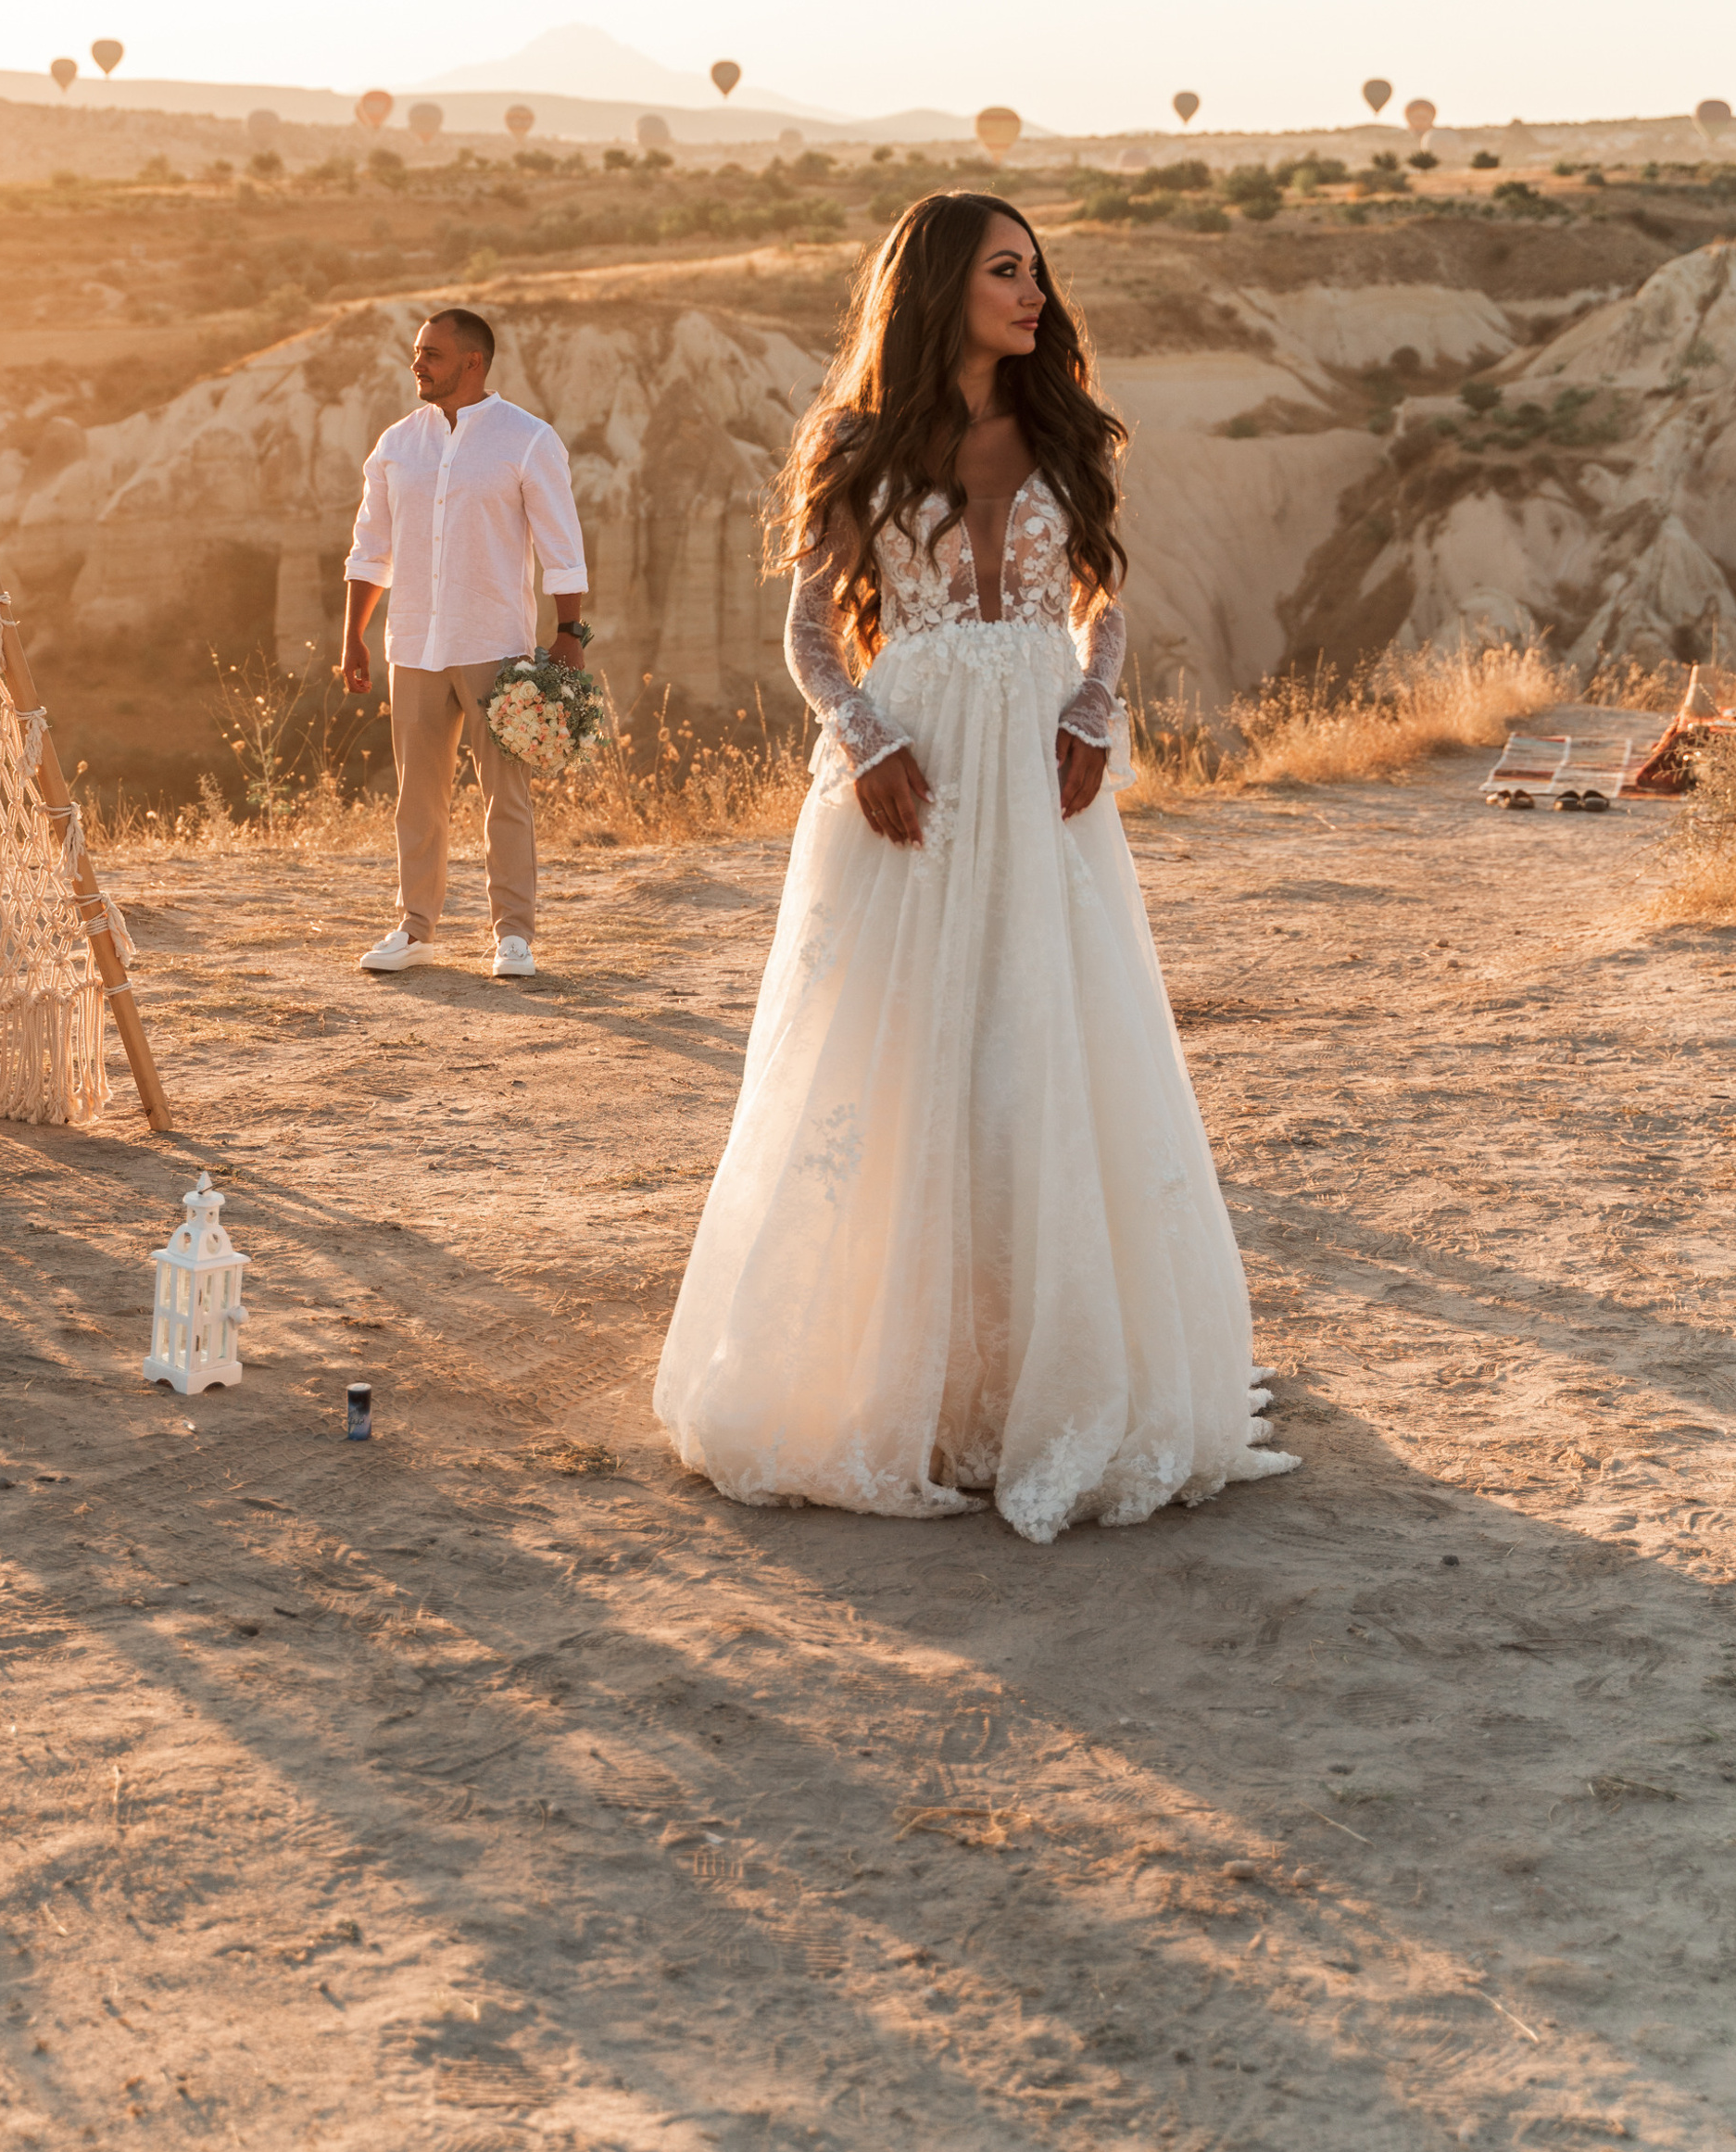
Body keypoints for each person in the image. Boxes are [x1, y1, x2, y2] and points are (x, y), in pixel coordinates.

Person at [654, 191, 1297, 1542]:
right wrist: (866, 735)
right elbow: (812, 635)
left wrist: (1093, 707)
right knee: (904, 1057)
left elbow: (1105, 604)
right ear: (943, 286)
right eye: (1008, 270)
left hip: (1042, 767)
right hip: (919, 767)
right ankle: (917, 1380)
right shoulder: (858, 441)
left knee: (1043, 1045)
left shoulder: (1067, 429)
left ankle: (1041, 1380)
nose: (1036, 293)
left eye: (1040, 271)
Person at [341, 308, 590, 982]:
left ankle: (514, 936)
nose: (417, 363)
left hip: (494, 643)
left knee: (503, 796)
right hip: (413, 643)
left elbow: (562, 547)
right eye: (417, 351)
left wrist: (570, 634)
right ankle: (414, 928)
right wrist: (355, 638)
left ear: (472, 363)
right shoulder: (396, 443)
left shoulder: (528, 441)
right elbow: (370, 549)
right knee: (415, 797)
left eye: (433, 354)